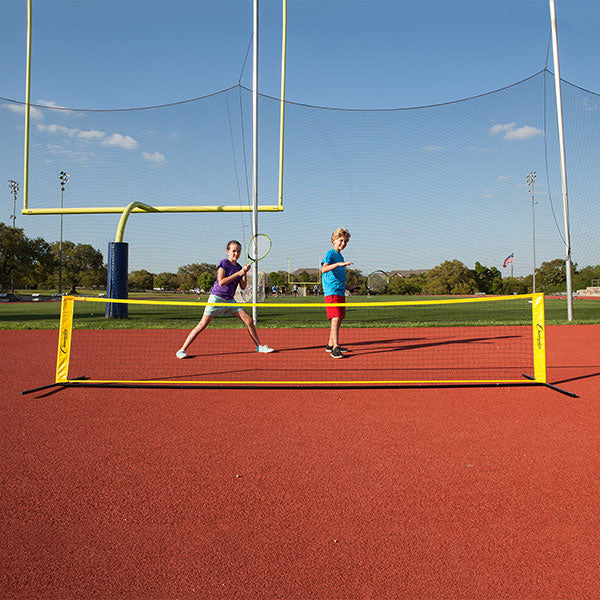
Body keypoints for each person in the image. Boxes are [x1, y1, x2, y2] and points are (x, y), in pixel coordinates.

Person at [176, 240, 274, 358]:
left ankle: (259, 346)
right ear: (227, 251)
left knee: (249, 320)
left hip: (230, 300)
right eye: (233, 251)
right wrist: (238, 273)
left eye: (238, 251)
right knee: (202, 325)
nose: (236, 254)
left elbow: (243, 287)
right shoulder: (223, 263)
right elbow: (221, 282)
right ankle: (182, 350)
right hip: (217, 298)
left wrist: (245, 273)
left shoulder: (238, 267)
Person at [321, 227, 353, 359]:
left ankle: (330, 344)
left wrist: (349, 288)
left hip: (340, 291)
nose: (343, 244)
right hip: (331, 292)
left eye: (345, 241)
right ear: (334, 240)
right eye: (341, 240)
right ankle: (335, 348)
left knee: (339, 318)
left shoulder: (340, 255)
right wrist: (338, 264)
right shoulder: (331, 253)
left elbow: (339, 277)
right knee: (335, 318)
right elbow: (324, 269)